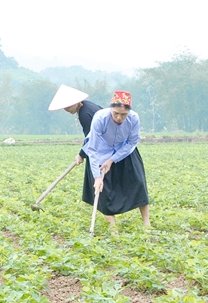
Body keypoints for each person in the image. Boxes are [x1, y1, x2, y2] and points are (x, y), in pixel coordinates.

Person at [82, 91, 151, 230]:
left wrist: (113, 159)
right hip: (101, 149)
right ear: (110, 109)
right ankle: (113, 229)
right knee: (103, 190)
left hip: (124, 150)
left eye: (123, 115)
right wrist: (96, 177)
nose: (119, 117)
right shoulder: (100, 118)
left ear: (129, 112)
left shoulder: (134, 118)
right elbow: (93, 149)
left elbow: (132, 142)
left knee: (138, 182)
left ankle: (147, 223)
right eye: (115, 113)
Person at [49, 84, 102, 208]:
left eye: (68, 105)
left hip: (100, 150)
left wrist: (81, 154)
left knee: (97, 180)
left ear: (76, 102)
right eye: (64, 107)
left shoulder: (85, 113)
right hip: (101, 147)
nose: (66, 109)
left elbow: (91, 139)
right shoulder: (87, 106)